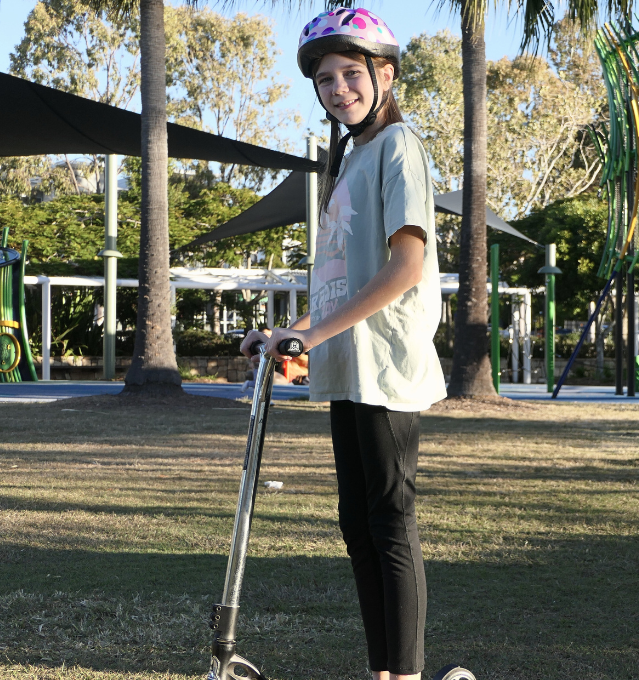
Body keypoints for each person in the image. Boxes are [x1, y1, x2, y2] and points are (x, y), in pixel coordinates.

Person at [241, 9, 445, 679]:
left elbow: (405, 266)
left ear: (384, 74)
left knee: (389, 520)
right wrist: (290, 334)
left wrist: (314, 331)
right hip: (347, 364)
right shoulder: (349, 157)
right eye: (325, 79)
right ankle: (381, 669)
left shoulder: (399, 146)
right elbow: (341, 274)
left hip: (384, 361)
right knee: (357, 523)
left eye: (351, 74)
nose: (338, 89)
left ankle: (406, 673)